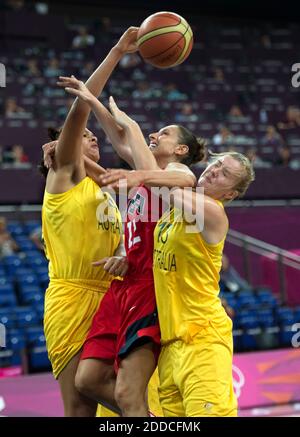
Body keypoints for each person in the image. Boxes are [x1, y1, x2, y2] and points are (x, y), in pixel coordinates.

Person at [55, 77, 206, 416]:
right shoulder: (146, 170)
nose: (155, 136)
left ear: (181, 149)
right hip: (124, 284)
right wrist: (92, 102)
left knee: (126, 393)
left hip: (151, 287)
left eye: (164, 133)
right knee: (88, 379)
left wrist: (133, 130)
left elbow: (187, 179)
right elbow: (122, 141)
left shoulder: (172, 170)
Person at [105, 151, 255, 416]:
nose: (214, 170)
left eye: (225, 174)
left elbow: (169, 189)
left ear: (230, 193)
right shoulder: (176, 213)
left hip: (202, 340)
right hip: (169, 345)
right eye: (216, 164)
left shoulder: (212, 213)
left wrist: (141, 174)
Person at [41, 27, 138, 417]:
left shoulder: (106, 194)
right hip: (73, 297)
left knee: (118, 403)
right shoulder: (63, 175)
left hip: (112, 297)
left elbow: (117, 240)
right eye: (85, 137)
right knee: (79, 407)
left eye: (95, 137)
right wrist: (116, 51)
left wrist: (120, 253)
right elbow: (80, 112)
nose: (92, 138)